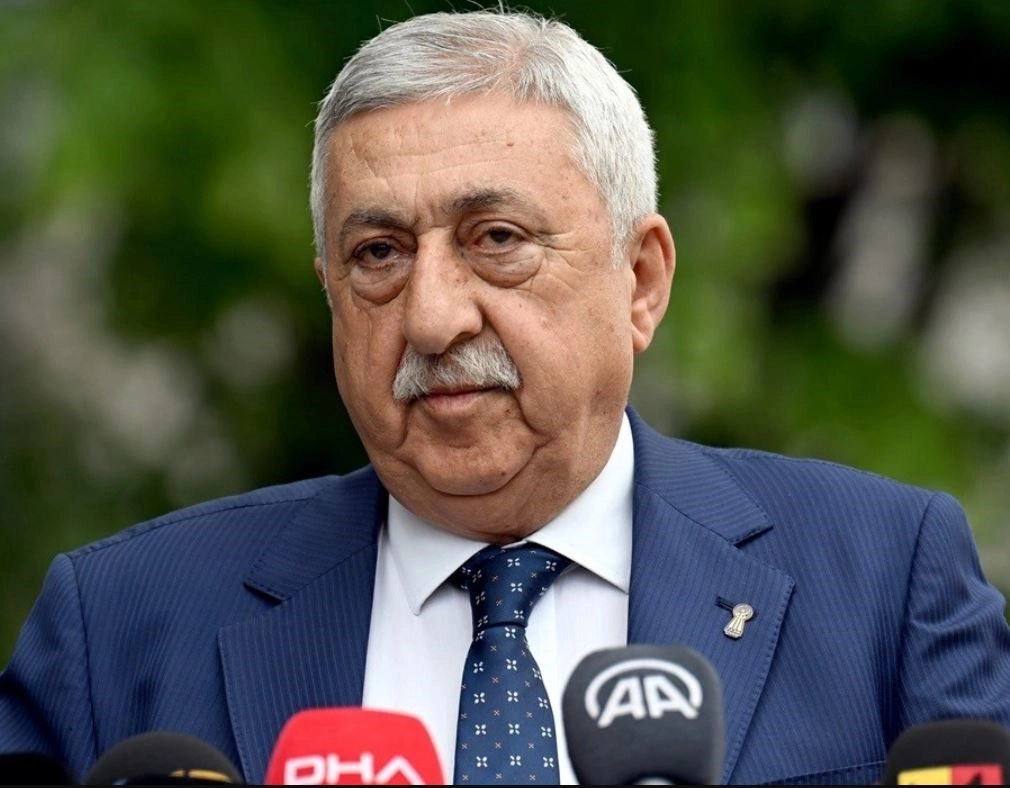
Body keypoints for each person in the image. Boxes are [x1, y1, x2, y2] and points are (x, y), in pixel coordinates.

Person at [2, 9, 1009, 786]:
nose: (433, 317)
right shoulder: (119, 625)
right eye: (378, 253)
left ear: (641, 281)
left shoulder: (883, 581)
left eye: (497, 239)